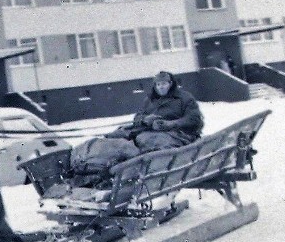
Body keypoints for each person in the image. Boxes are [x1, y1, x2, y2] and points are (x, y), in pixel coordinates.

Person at [69, 71, 204, 186]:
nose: (161, 87)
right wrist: (145, 120)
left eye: (164, 84)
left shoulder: (184, 98)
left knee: (145, 140)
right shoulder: (150, 100)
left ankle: (137, 169)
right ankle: (100, 166)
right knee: (115, 136)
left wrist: (171, 124)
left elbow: (194, 119)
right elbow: (138, 117)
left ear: (171, 84)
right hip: (148, 130)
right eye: (158, 84)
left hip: (176, 133)